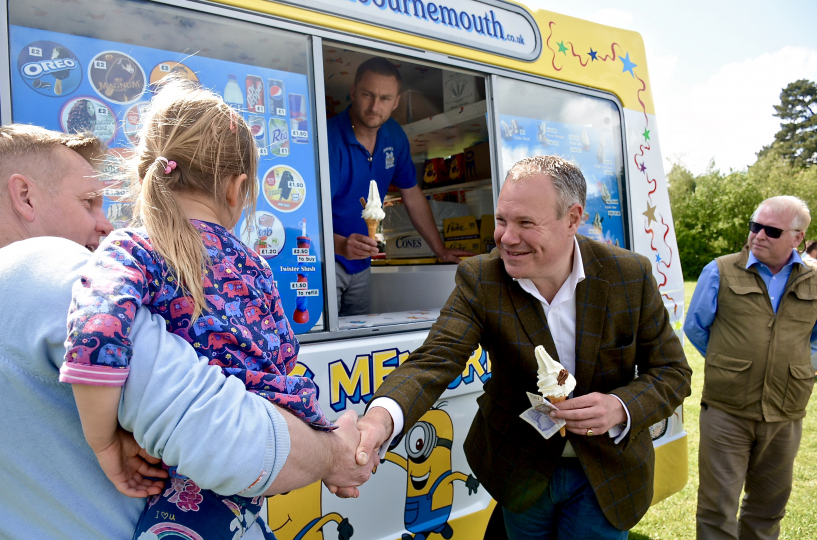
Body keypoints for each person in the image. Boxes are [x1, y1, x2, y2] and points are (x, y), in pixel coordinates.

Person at [0, 124, 374, 540]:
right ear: (24, 196)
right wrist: (333, 454)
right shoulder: (48, 269)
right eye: (88, 203)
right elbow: (232, 439)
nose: (103, 225)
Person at [355, 155, 692, 539]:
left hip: (607, 474)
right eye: (502, 220)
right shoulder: (482, 278)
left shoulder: (628, 275)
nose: (506, 238)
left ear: (572, 218)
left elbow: (673, 373)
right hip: (521, 472)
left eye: (525, 223)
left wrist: (620, 407)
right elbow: (436, 358)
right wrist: (380, 420)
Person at [59, 81, 340, 539]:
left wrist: (106, 442)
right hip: (254, 471)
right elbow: (285, 361)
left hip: (171, 483)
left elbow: (97, 334)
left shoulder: (132, 249)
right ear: (238, 188)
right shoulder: (258, 267)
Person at [685, 196, 817, 540]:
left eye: (771, 230)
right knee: (717, 508)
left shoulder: (814, 280)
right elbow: (696, 327)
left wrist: (802, 366)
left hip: (786, 412)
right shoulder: (719, 270)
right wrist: (732, 364)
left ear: (797, 238)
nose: (758, 235)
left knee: (769, 507)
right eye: (754, 226)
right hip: (726, 410)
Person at [327, 57, 474, 315]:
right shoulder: (329, 138)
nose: (374, 106)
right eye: (367, 95)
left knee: (357, 336)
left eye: (385, 98)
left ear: (396, 101)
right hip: (324, 262)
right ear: (352, 91)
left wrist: (439, 249)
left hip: (362, 262)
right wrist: (339, 245)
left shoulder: (394, 136)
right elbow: (307, 215)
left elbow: (412, 195)